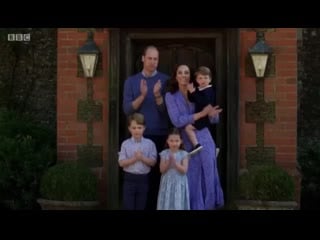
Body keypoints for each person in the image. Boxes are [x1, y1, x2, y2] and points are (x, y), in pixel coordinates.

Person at [164, 64, 224, 210]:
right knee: (192, 176)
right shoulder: (170, 96)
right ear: (176, 76)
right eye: (180, 72)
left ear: (190, 76)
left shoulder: (200, 91)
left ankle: (209, 205)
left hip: (205, 136)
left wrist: (213, 115)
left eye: (186, 72)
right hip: (186, 140)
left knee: (209, 174)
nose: (183, 75)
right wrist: (201, 114)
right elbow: (177, 120)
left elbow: (213, 119)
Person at [122, 45, 170, 210]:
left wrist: (157, 95)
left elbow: (167, 112)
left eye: (155, 59)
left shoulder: (165, 80)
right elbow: (127, 109)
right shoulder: (131, 81)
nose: (152, 62)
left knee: (157, 177)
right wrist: (142, 96)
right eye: (149, 58)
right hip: (138, 135)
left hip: (159, 134)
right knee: (139, 178)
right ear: (143, 58)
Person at [118, 113, 157, 210]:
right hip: (129, 179)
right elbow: (121, 163)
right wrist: (134, 159)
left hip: (143, 179)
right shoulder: (125, 144)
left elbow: (153, 162)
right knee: (128, 206)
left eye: (139, 127)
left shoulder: (150, 144)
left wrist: (142, 158)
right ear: (129, 129)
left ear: (144, 128)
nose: (136, 130)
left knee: (141, 206)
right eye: (134, 127)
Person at [185, 66, 217, 155]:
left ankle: (196, 145)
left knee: (188, 128)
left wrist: (193, 92)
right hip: (201, 116)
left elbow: (204, 102)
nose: (203, 80)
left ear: (210, 79)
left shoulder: (209, 90)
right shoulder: (199, 89)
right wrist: (190, 91)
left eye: (206, 78)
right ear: (196, 80)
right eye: (200, 78)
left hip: (204, 117)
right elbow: (192, 99)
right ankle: (213, 148)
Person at [157, 128, 190, 210]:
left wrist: (175, 164)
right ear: (167, 141)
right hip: (167, 183)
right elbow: (161, 170)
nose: (174, 143)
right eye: (171, 141)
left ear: (181, 141)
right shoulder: (164, 153)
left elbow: (184, 170)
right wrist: (168, 162)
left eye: (176, 141)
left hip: (179, 183)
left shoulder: (184, 154)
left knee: (178, 203)